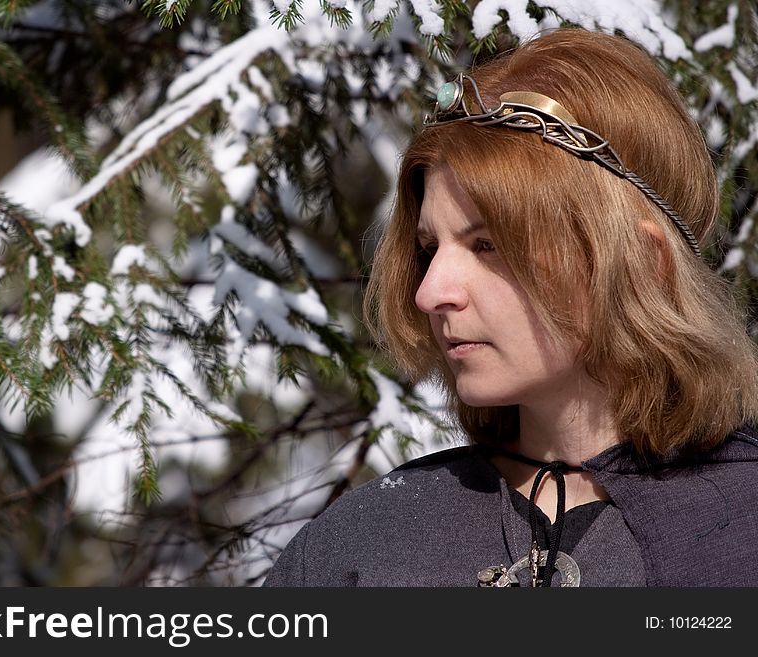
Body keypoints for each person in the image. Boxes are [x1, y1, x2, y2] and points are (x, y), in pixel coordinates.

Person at [263, 28, 758, 587]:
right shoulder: (365, 546)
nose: (431, 292)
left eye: (488, 244)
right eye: (429, 249)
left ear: (640, 261)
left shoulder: (742, 532)